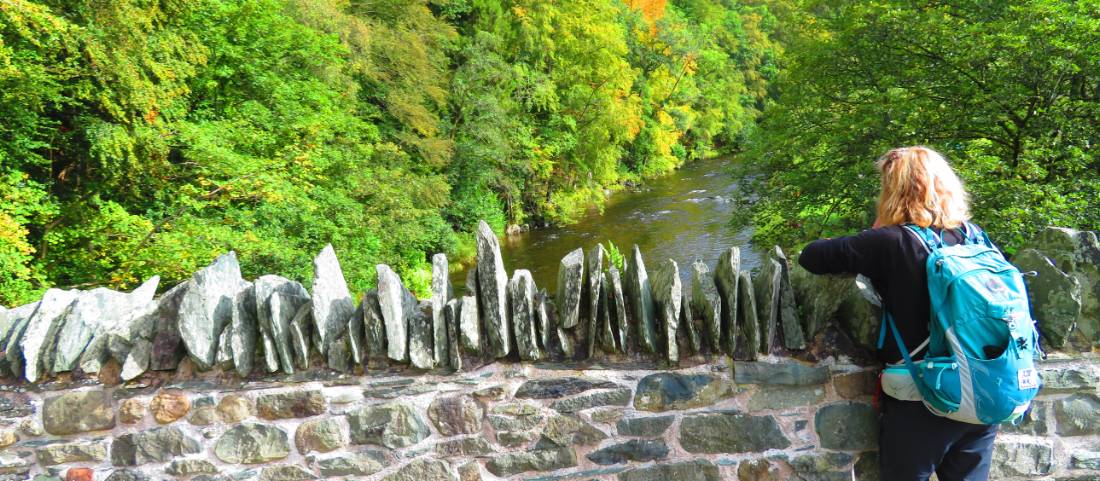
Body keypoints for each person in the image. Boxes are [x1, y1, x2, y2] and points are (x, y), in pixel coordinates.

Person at [797, 146, 997, 481]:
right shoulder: (974, 237)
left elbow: (811, 256)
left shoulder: (892, 242)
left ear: (893, 190)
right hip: (983, 390)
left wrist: (875, 231)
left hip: (923, 397)